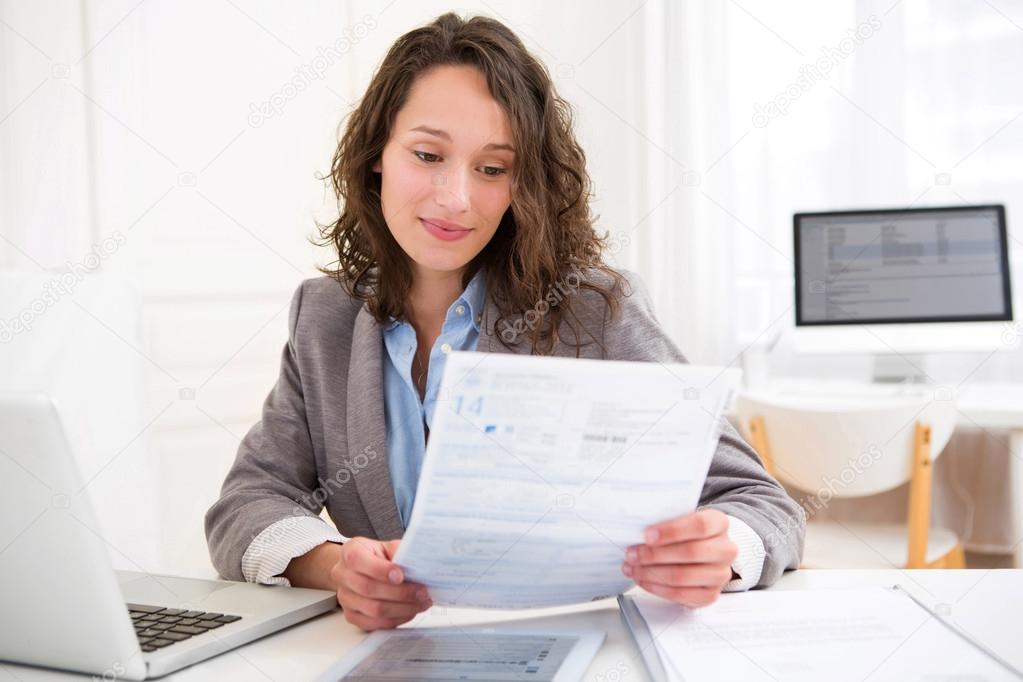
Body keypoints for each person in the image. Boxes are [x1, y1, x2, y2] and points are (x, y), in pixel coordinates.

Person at [205, 12, 804, 632]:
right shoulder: (325, 317)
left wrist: (721, 550)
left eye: (492, 168)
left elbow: (764, 506)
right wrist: (337, 567)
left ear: (525, 182)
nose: (456, 197)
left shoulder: (595, 310)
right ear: (377, 154)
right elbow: (246, 504)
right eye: (428, 154)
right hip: (388, 662)